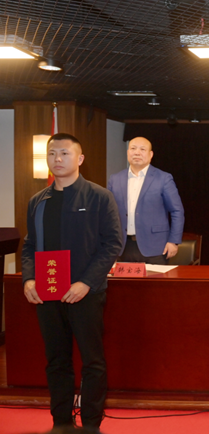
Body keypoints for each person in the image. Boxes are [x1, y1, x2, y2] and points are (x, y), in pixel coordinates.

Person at [21, 133, 122, 429]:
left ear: (79, 159)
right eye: (52, 154)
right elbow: (29, 245)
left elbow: (112, 244)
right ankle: (61, 421)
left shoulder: (99, 196)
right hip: (47, 292)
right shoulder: (38, 201)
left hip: (85, 292)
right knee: (56, 360)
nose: (57, 159)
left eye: (64, 153)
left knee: (92, 361)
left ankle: (90, 423)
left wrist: (86, 283)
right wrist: (29, 279)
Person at [107, 137, 184, 264]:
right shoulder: (115, 179)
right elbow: (107, 212)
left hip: (156, 247)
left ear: (151, 154)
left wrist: (173, 241)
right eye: (133, 148)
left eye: (142, 149)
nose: (137, 153)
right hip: (123, 247)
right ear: (128, 152)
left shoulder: (163, 178)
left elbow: (177, 211)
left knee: (156, 278)